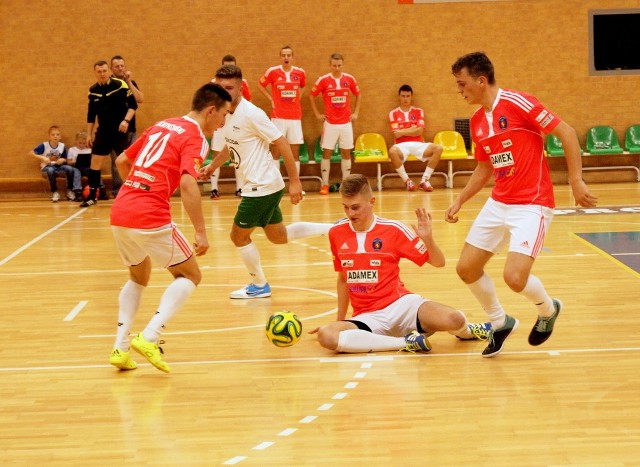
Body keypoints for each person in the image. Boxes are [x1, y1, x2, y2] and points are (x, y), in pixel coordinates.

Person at [446, 51, 598, 357]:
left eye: (462, 84)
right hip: (499, 201)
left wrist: (576, 181)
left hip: (532, 203)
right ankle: (500, 321)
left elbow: (566, 133)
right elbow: (485, 167)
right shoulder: (477, 121)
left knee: (514, 278)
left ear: (481, 80)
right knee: (466, 268)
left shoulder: (518, 103)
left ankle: (547, 309)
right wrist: (460, 199)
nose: (459, 90)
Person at [108, 82, 232, 373]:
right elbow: (188, 183)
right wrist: (201, 232)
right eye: (223, 115)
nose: (223, 122)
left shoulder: (163, 125)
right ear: (211, 110)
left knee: (139, 276)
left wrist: (136, 191)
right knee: (190, 274)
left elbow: (123, 160)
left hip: (121, 210)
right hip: (150, 215)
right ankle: (150, 336)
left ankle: (120, 348)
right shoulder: (196, 137)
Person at [311, 174, 491, 353]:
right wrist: (339, 321)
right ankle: (406, 343)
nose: (350, 214)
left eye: (356, 207)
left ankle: (467, 331)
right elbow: (343, 279)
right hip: (367, 317)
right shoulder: (336, 233)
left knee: (454, 320)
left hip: (401, 306)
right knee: (327, 335)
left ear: (371, 201)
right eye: (346, 207)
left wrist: (428, 239)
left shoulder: (393, 229)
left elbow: (439, 262)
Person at [201, 64, 333, 299]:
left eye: (229, 87)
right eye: (219, 87)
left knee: (238, 236)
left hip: (260, 186)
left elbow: (281, 142)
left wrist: (295, 181)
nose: (224, 91)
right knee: (277, 236)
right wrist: (211, 166)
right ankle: (334, 229)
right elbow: (229, 146)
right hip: (264, 186)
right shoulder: (225, 114)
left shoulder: (252, 114)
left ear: (241, 88)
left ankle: (260, 285)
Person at [82, 59, 138, 207]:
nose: (102, 74)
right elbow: (91, 115)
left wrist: (125, 121)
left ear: (109, 71)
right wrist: (89, 134)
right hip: (103, 132)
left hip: (119, 131)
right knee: (95, 161)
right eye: (99, 72)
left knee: (123, 162)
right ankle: (92, 195)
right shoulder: (93, 90)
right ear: (95, 73)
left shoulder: (120, 85)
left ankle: (133, 192)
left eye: (104, 71)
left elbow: (133, 105)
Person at [309, 53, 361, 195]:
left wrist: (355, 112)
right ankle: (325, 184)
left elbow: (358, 94)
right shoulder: (323, 80)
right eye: (334, 65)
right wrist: (317, 114)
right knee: (327, 153)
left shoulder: (349, 79)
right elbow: (312, 95)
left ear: (342, 65)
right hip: (330, 123)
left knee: (346, 152)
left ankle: (346, 184)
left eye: (339, 65)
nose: (337, 68)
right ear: (330, 65)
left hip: (346, 123)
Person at [258, 45, 306, 175]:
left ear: (292, 57)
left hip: (295, 118)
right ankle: (276, 183)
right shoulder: (272, 72)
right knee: (276, 151)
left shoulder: (300, 73)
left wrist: (298, 98)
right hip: (278, 117)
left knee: (295, 152)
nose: (286, 57)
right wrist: (271, 99)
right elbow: (260, 85)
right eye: (283, 55)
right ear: (280, 57)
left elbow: (303, 86)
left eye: (288, 55)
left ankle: (296, 183)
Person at [209, 54, 251, 200]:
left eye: (232, 65)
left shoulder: (242, 83)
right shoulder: (214, 83)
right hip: (221, 124)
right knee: (217, 153)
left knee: (236, 154)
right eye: (227, 65)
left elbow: (246, 100)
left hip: (235, 123)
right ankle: (214, 188)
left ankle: (240, 188)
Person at [388, 84, 443, 192]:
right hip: (401, 145)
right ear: (399, 96)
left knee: (438, 148)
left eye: (408, 96)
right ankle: (408, 181)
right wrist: (412, 129)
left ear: (411, 96)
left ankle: (425, 180)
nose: (405, 99)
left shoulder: (418, 111)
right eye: (403, 96)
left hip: (418, 144)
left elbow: (420, 131)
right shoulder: (393, 113)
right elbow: (396, 134)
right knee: (392, 151)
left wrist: (403, 131)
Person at [109, 55, 144, 198]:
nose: (120, 68)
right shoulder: (109, 84)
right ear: (111, 69)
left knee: (133, 159)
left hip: (130, 129)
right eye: (117, 66)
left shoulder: (130, 82)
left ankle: (133, 187)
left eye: (122, 66)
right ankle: (118, 190)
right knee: (116, 161)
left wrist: (129, 82)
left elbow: (140, 99)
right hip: (113, 130)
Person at [29, 125, 82, 202]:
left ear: (60, 136)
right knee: (50, 170)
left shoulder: (62, 146)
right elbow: (31, 153)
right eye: (53, 135)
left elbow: (66, 158)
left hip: (58, 167)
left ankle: (69, 191)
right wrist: (42, 158)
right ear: (49, 136)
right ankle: (54, 192)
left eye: (57, 134)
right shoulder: (44, 145)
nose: (55, 136)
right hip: (47, 167)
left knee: (70, 168)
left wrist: (62, 160)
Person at [66, 130, 107, 196]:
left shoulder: (89, 150)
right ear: (76, 141)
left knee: (94, 172)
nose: (82, 145)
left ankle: (102, 189)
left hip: (87, 167)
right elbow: (68, 161)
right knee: (76, 173)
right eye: (80, 143)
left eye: (84, 143)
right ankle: (78, 191)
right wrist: (74, 161)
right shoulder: (72, 149)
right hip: (76, 167)